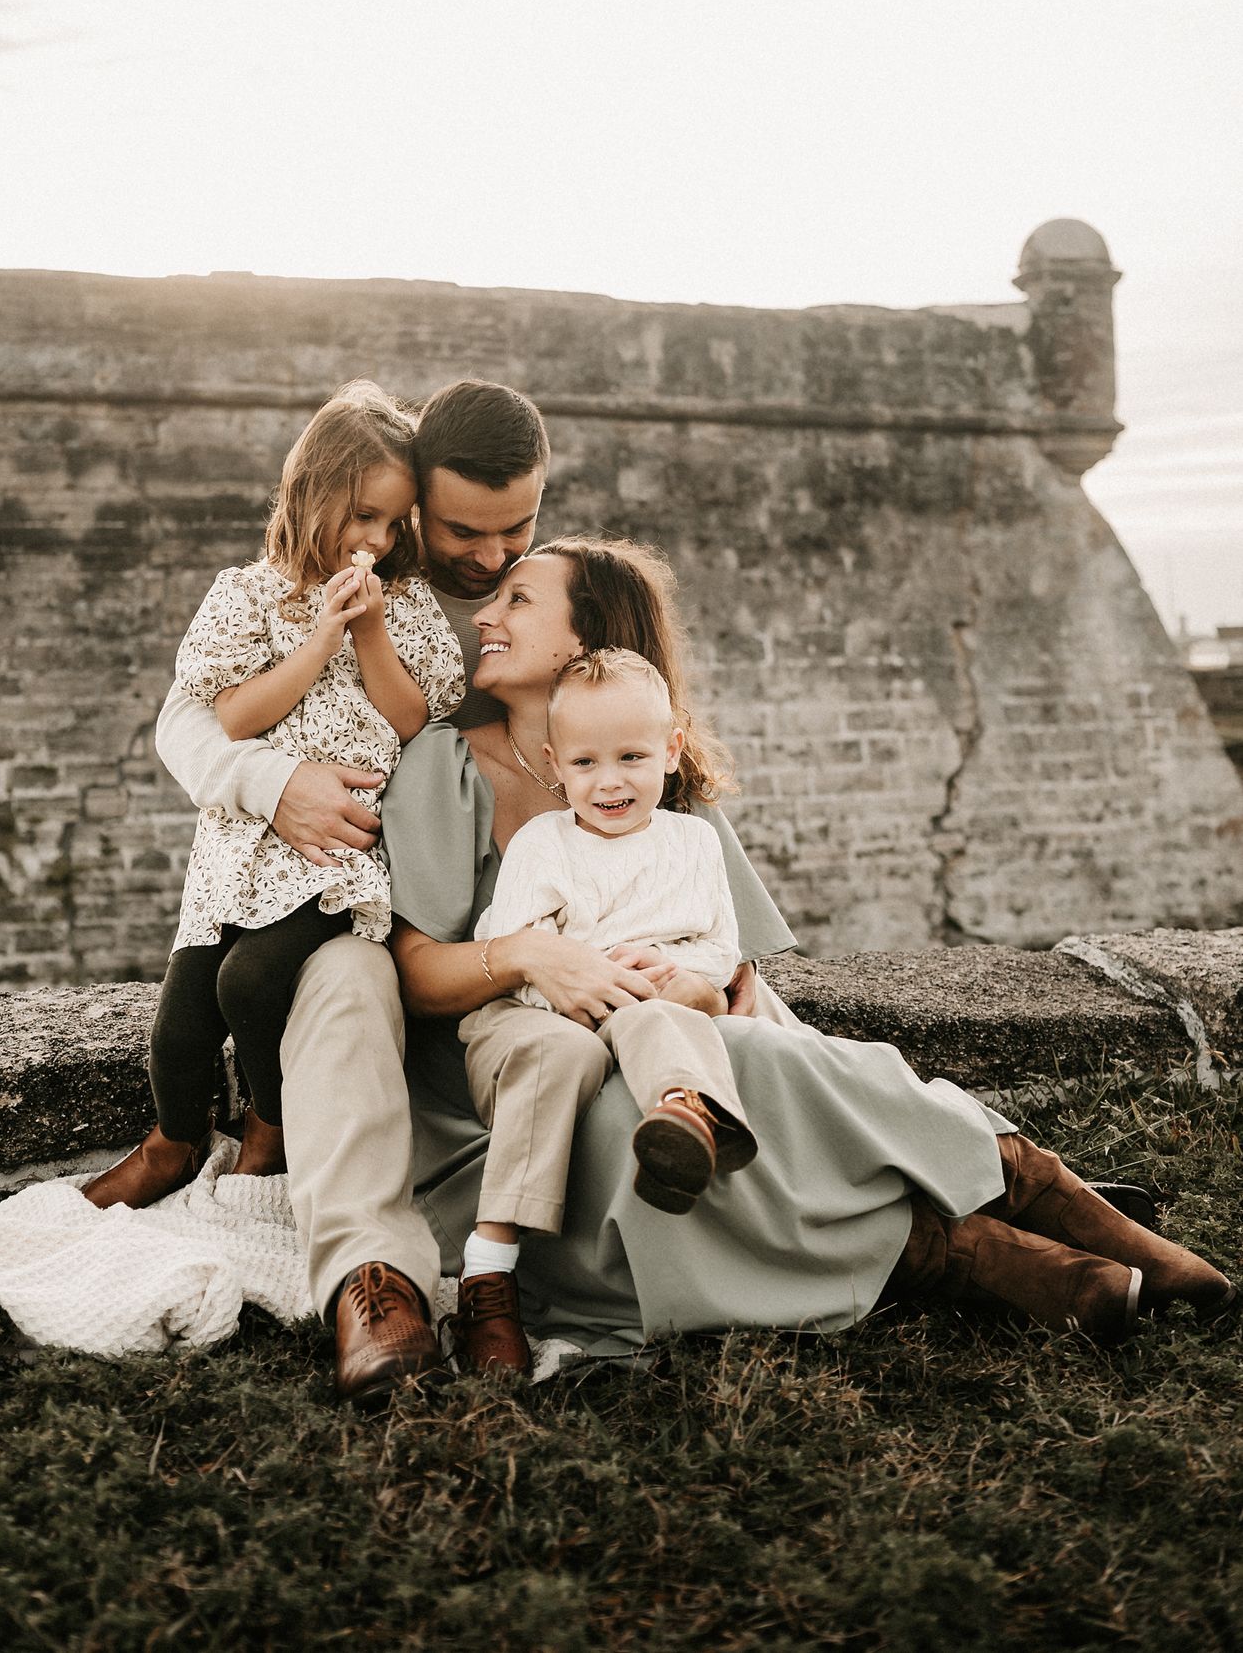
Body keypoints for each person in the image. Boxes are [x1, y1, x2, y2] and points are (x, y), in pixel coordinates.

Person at [384, 537, 1234, 1375]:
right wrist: (532, 956)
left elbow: (738, 978)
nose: (484, 614)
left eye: (519, 599)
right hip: (517, 1101)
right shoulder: (448, 767)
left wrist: (699, 991)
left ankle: (1037, 1196)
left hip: (667, 1049)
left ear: (590, 641)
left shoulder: (659, 795)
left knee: (736, 1064)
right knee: (651, 1117)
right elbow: (416, 975)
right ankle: (965, 1246)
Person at [141, 381, 554, 1403]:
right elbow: (192, 720)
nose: (494, 560)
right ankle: (376, 1278)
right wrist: (272, 782)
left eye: (518, 529)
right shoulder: (297, 588)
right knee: (328, 981)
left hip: (502, 911)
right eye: (463, 530)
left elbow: (630, 724)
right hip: (365, 892)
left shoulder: (546, 595)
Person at [83, 380, 464, 1209]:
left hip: (338, 845)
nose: (378, 539)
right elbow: (233, 716)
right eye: (363, 516)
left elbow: (412, 719)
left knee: (251, 985)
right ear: (311, 492)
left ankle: (271, 1126)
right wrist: (320, 637)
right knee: (180, 1023)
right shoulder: (247, 596)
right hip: (241, 844)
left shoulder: (404, 606)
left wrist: (367, 631)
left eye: (395, 522)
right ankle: (172, 1142)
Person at [455, 645, 760, 1373]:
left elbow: (720, 948)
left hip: (639, 1003)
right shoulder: (544, 843)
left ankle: (688, 1118)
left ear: (671, 751)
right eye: (585, 763)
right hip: (533, 1014)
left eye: (631, 757)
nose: (610, 781)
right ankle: (488, 1273)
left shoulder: (693, 842)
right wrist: (586, 987)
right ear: (555, 765)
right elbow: (515, 957)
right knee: (562, 1052)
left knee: (661, 1015)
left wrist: (674, 972)